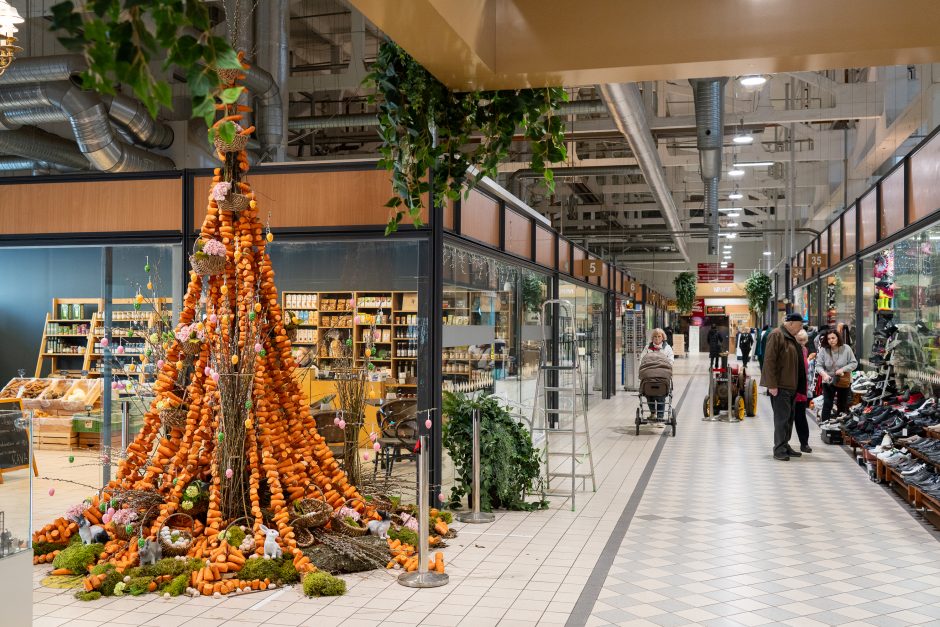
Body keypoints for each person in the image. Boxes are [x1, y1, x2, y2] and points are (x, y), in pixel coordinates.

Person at [762, 313, 806, 461]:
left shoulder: (790, 337)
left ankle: (785, 445)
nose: (800, 329)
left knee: (788, 418)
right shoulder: (777, 335)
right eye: (799, 325)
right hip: (780, 386)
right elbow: (769, 361)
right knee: (781, 419)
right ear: (791, 323)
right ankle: (779, 449)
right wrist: (772, 385)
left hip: (791, 386)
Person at [816, 328, 858, 423]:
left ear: (838, 338)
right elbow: (818, 365)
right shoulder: (824, 350)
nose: (831, 340)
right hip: (828, 380)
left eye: (833, 338)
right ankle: (825, 426)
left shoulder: (846, 348)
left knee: (842, 404)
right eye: (829, 338)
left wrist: (843, 369)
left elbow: (854, 363)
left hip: (843, 379)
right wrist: (824, 374)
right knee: (827, 403)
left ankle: (840, 427)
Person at [639, 328, 674, 421]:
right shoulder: (647, 347)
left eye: (659, 336)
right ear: (652, 338)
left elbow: (670, 361)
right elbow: (642, 359)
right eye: (655, 336)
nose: (657, 338)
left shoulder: (667, 348)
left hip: (662, 376)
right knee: (648, 394)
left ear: (663, 337)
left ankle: (660, 417)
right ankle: (653, 413)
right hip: (649, 376)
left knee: (661, 396)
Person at [793, 330, 813, 453]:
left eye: (803, 341)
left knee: (801, 416)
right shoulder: (792, 350)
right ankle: (784, 444)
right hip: (791, 386)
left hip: (802, 387)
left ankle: (804, 443)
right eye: (799, 340)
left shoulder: (805, 350)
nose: (801, 343)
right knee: (789, 417)